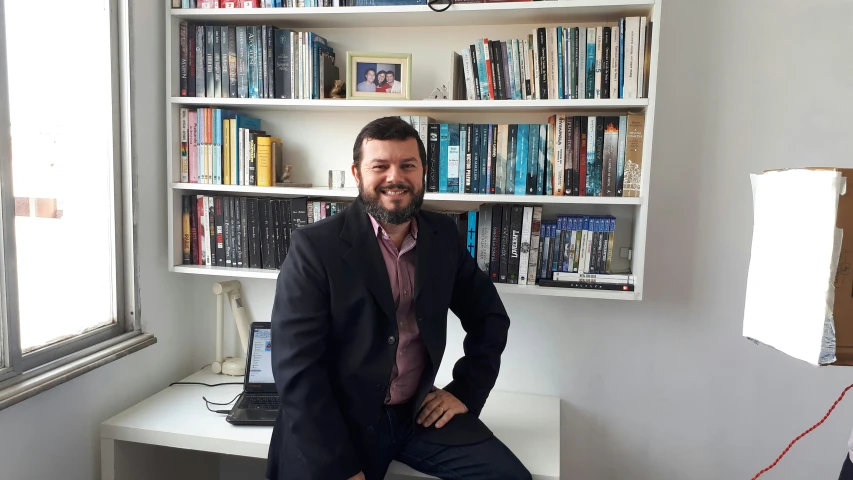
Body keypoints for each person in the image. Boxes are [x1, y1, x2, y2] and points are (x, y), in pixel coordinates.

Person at [266, 116, 530, 480]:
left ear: (423, 173)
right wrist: (339, 468)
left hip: (415, 415)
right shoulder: (314, 247)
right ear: (357, 174)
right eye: (380, 166)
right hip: (335, 424)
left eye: (408, 165)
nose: (395, 177)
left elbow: (489, 317)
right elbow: (296, 369)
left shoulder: (443, 237)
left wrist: (466, 390)